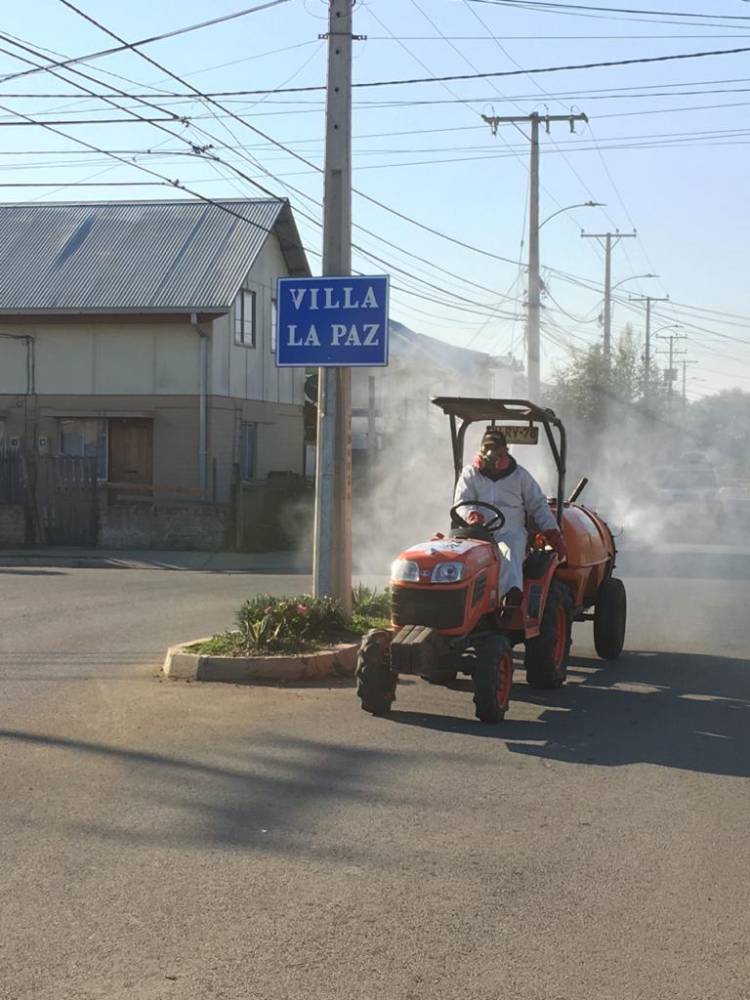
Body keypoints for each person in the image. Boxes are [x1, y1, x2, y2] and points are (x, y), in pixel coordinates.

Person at [453, 427, 567, 604]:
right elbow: (461, 502)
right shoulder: (470, 474)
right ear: (481, 450)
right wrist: (472, 515)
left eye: (496, 449)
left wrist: (552, 532)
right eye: (487, 448)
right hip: (476, 532)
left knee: (509, 551)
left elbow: (538, 505)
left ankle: (509, 599)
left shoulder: (520, 476)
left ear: (505, 451)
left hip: (510, 531)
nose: (491, 454)